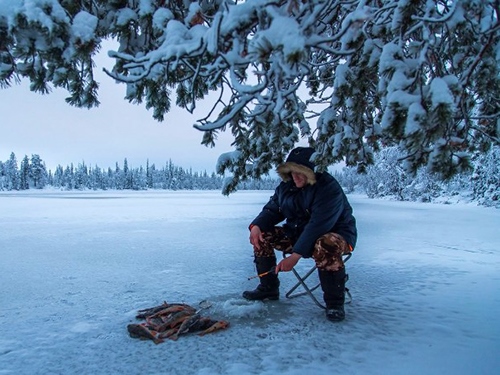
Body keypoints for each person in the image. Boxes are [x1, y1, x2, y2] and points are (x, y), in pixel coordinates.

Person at [243, 147, 357, 322]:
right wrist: (257, 226)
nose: (295, 177)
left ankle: (335, 303)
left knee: (325, 243)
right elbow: (272, 210)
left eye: (301, 173)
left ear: (312, 172)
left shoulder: (328, 188)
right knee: (262, 234)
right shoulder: (286, 187)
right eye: (292, 172)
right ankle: (268, 288)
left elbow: (318, 225)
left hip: (335, 236)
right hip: (297, 235)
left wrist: (295, 256)